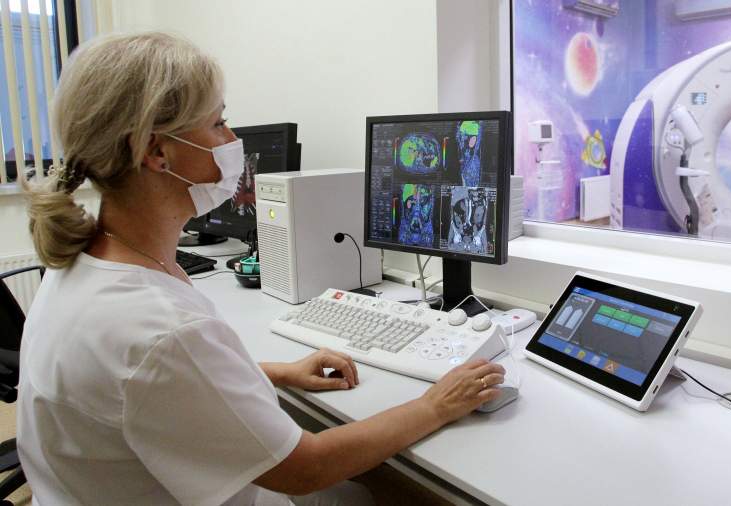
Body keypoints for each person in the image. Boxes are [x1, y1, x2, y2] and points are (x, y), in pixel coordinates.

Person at [18, 32, 506, 506]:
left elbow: (156, 388)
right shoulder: (163, 330)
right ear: (155, 151)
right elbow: (306, 468)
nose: (233, 140)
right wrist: (435, 404)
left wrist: (275, 372)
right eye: (218, 124)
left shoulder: (84, 263)